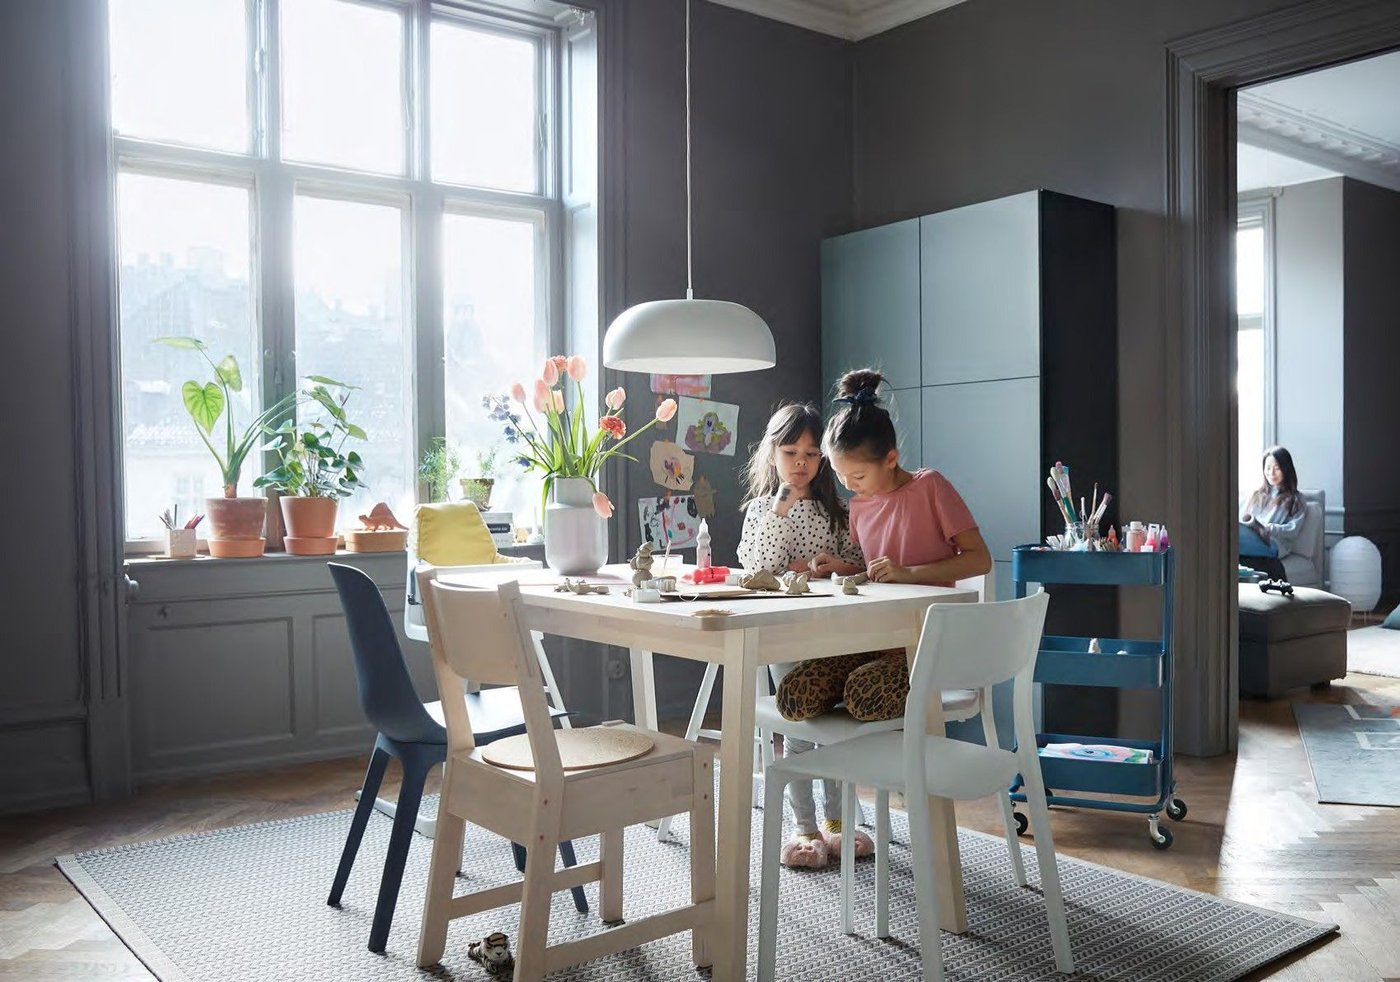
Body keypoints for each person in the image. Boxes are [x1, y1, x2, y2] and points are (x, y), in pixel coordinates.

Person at [775, 366, 992, 744]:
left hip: (926, 645)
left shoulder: (930, 487)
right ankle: (850, 771)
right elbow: (881, 572)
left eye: (857, 476)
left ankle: (893, 765)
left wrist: (909, 573)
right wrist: (847, 568)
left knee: (863, 695)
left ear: (890, 459)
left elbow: (979, 560)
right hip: (874, 639)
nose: (849, 486)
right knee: (794, 695)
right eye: (841, 476)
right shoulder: (860, 506)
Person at [738, 403, 865, 869]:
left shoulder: (838, 509)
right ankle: (805, 825)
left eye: (811, 454)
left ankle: (838, 821)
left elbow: (859, 561)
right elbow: (758, 569)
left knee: (835, 726)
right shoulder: (762, 510)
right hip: (785, 634)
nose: (800, 463)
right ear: (772, 454)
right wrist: (780, 510)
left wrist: (837, 567)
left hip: (832, 632)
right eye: (790, 452)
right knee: (797, 726)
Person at [1239, 446, 1305, 582]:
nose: (1271, 473)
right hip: (1252, 538)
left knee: (1230, 540)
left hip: (1273, 543)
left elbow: (1292, 530)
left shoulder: (1295, 499)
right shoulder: (1255, 494)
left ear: (1286, 469)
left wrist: (1268, 528)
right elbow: (1241, 519)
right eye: (1268, 468)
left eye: (1277, 468)